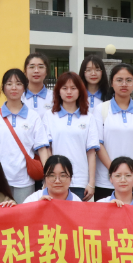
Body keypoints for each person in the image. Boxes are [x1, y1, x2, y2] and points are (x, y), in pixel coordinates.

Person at [20, 155, 83, 263]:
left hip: (65, 251)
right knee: (40, 251)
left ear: (70, 178)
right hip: (40, 251)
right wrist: (37, 209)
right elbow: (20, 227)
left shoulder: (77, 202)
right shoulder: (33, 199)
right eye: (51, 175)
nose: (57, 180)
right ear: (45, 178)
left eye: (63, 175)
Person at [0, 68, 50, 204]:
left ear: (24, 87)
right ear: (3, 88)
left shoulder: (33, 117)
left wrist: (47, 176)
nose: (14, 87)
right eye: (9, 84)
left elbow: (42, 149)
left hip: (25, 181)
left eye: (18, 83)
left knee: (23, 215)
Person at [94, 63, 133, 204]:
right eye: (119, 80)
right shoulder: (101, 109)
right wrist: (114, 172)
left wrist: (131, 172)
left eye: (128, 80)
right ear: (112, 83)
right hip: (106, 180)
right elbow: (98, 144)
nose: (124, 84)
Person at [45, 72, 98, 200]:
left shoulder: (88, 117)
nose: (69, 92)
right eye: (64, 88)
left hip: (80, 180)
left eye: (73, 88)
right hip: (56, 180)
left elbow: (91, 153)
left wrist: (91, 182)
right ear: (58, 91)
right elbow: (47, 150)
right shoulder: (49, 116)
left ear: (80, 91)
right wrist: (47, 178)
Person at [23, 52, 55, 123]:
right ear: (25, 71)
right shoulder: (19, 97)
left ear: (46, 72)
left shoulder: (54, 97)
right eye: (32, 67)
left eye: (41, 67)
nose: (36, 71)